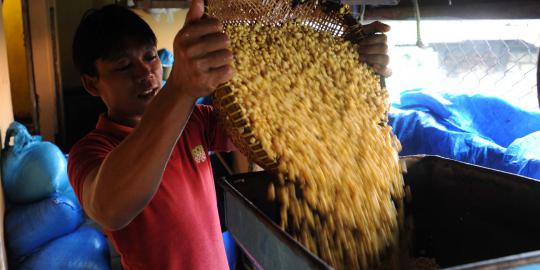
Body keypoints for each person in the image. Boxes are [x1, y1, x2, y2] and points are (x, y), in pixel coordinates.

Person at [67, 1, 393, 269]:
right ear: (91, 83)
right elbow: (110, 208)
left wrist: (348, 70)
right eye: (124, 67)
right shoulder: (91, 151)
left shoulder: (192, 120)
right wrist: (180, 89)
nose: (145, 74)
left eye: (150, 57)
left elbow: (272, 125)